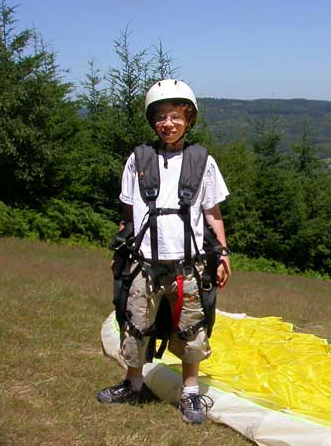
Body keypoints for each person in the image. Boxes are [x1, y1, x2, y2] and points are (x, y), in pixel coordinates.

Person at [97, 79, 231, 424]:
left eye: (175, 116)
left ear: (188, 119)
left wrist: (223, 254)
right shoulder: (138, 160)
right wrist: (122, 247)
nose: (167, 123)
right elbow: (128, 212)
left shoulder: (203, 162)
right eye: (161, 117)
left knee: (192, 328)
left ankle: (190, 392)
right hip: (144, 262)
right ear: (153, 121)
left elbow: (212, 213)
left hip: (189, 265)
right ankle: (134, 382)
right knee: (135, 323)